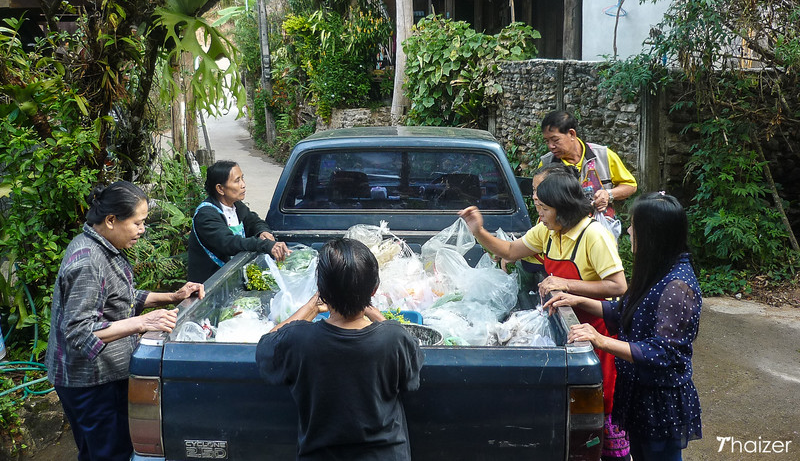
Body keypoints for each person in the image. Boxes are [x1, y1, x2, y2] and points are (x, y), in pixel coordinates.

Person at [459, 171, 629, 460]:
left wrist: (567, 284)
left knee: (601, 412)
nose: (540, 215)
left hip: (597, 334)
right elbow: (510, 250)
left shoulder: (593, 235)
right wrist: (479, 231)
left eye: (544, 209)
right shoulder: (547, 232)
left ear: (563, 208)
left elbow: (618, 285)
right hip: (567, 329)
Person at [45, 181, 205, 461]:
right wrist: (142, 323)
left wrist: (173, 296)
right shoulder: (88, 261)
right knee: (108, 453)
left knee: (105, 449)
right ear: (111, 220)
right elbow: (79, 331)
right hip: (90, 382)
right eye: (137, 223)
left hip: (105, 375)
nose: (142, 230)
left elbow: (122, 296)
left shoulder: (103, 247)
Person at [545, 192, 702, 460]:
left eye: (633, 226)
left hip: (659, 403)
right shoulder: (656, 269)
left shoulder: (678, 286)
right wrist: (577, 299)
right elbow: (621, 311)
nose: (628, 231)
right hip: (638, 395)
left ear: (651, 234)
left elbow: (663, 352)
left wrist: (600, 339)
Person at [256, 238, 424, 461]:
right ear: (374, 290)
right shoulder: (393, 337)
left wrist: (311, 307)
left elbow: (267, 345)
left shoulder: (298, 339)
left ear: (321, 291)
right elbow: (411, 374)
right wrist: (374, 313)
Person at [188, 160, 289, 282]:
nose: (243, 184)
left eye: (242, 178)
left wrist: (263, 232)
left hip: (232, 279)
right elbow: (229, 243)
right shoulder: (206, 215)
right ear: (220, 189)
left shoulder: (236, 206)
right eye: (237, 181)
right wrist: (265, 245)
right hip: (210, 285)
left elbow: (254, 221)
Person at [539, 110, 637, 217]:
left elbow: (630, 186)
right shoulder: (546, 164)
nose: (551, 146)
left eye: (555, 140)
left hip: (599, 225)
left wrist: (608, 194)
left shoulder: (603, 156)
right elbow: (537, 197)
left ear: (572, 134)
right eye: (547, 141)